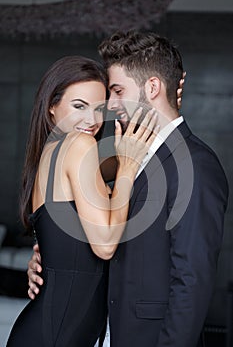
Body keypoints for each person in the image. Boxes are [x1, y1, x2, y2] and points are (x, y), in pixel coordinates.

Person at [28, 31, 229, 347]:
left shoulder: (195, 164)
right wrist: (51, 261)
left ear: (151, 88)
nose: (110, 106)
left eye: (117, 91)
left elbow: (192, 281)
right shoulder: (124, 157)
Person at [7, 55, 159, 347]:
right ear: (52, 106)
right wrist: (127, 168)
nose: (91, 121)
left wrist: (152, 108)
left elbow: (126, 156)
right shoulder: (78, 144)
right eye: (79, 106)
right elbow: (103, 245)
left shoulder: (53, 153)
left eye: (99, 109)